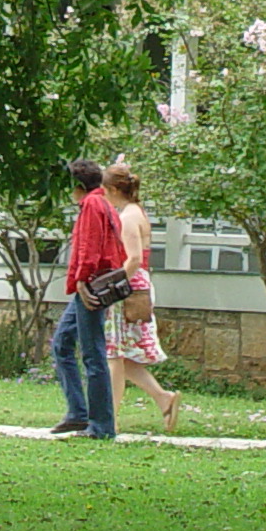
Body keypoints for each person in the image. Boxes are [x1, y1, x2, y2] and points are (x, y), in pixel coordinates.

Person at [49, 157, 124, 440]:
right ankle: (78, 413)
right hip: (92, 283)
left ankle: (102, 427)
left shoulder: (93, 204)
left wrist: (82, 280)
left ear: (78, 185)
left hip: (91, 285)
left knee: (93, 354)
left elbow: (89, 246)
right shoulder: (102, 202)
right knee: (62, 343)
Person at [101, 162, 179, 432]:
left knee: (113, 354)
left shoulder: (128, 218)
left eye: (104, 189)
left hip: (128, 290)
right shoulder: (137, 212)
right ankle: (163, 398)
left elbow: (133, 259)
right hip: (136, 286)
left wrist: (111, 284)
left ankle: (109, 417)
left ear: (113, 189)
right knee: (124, 356)